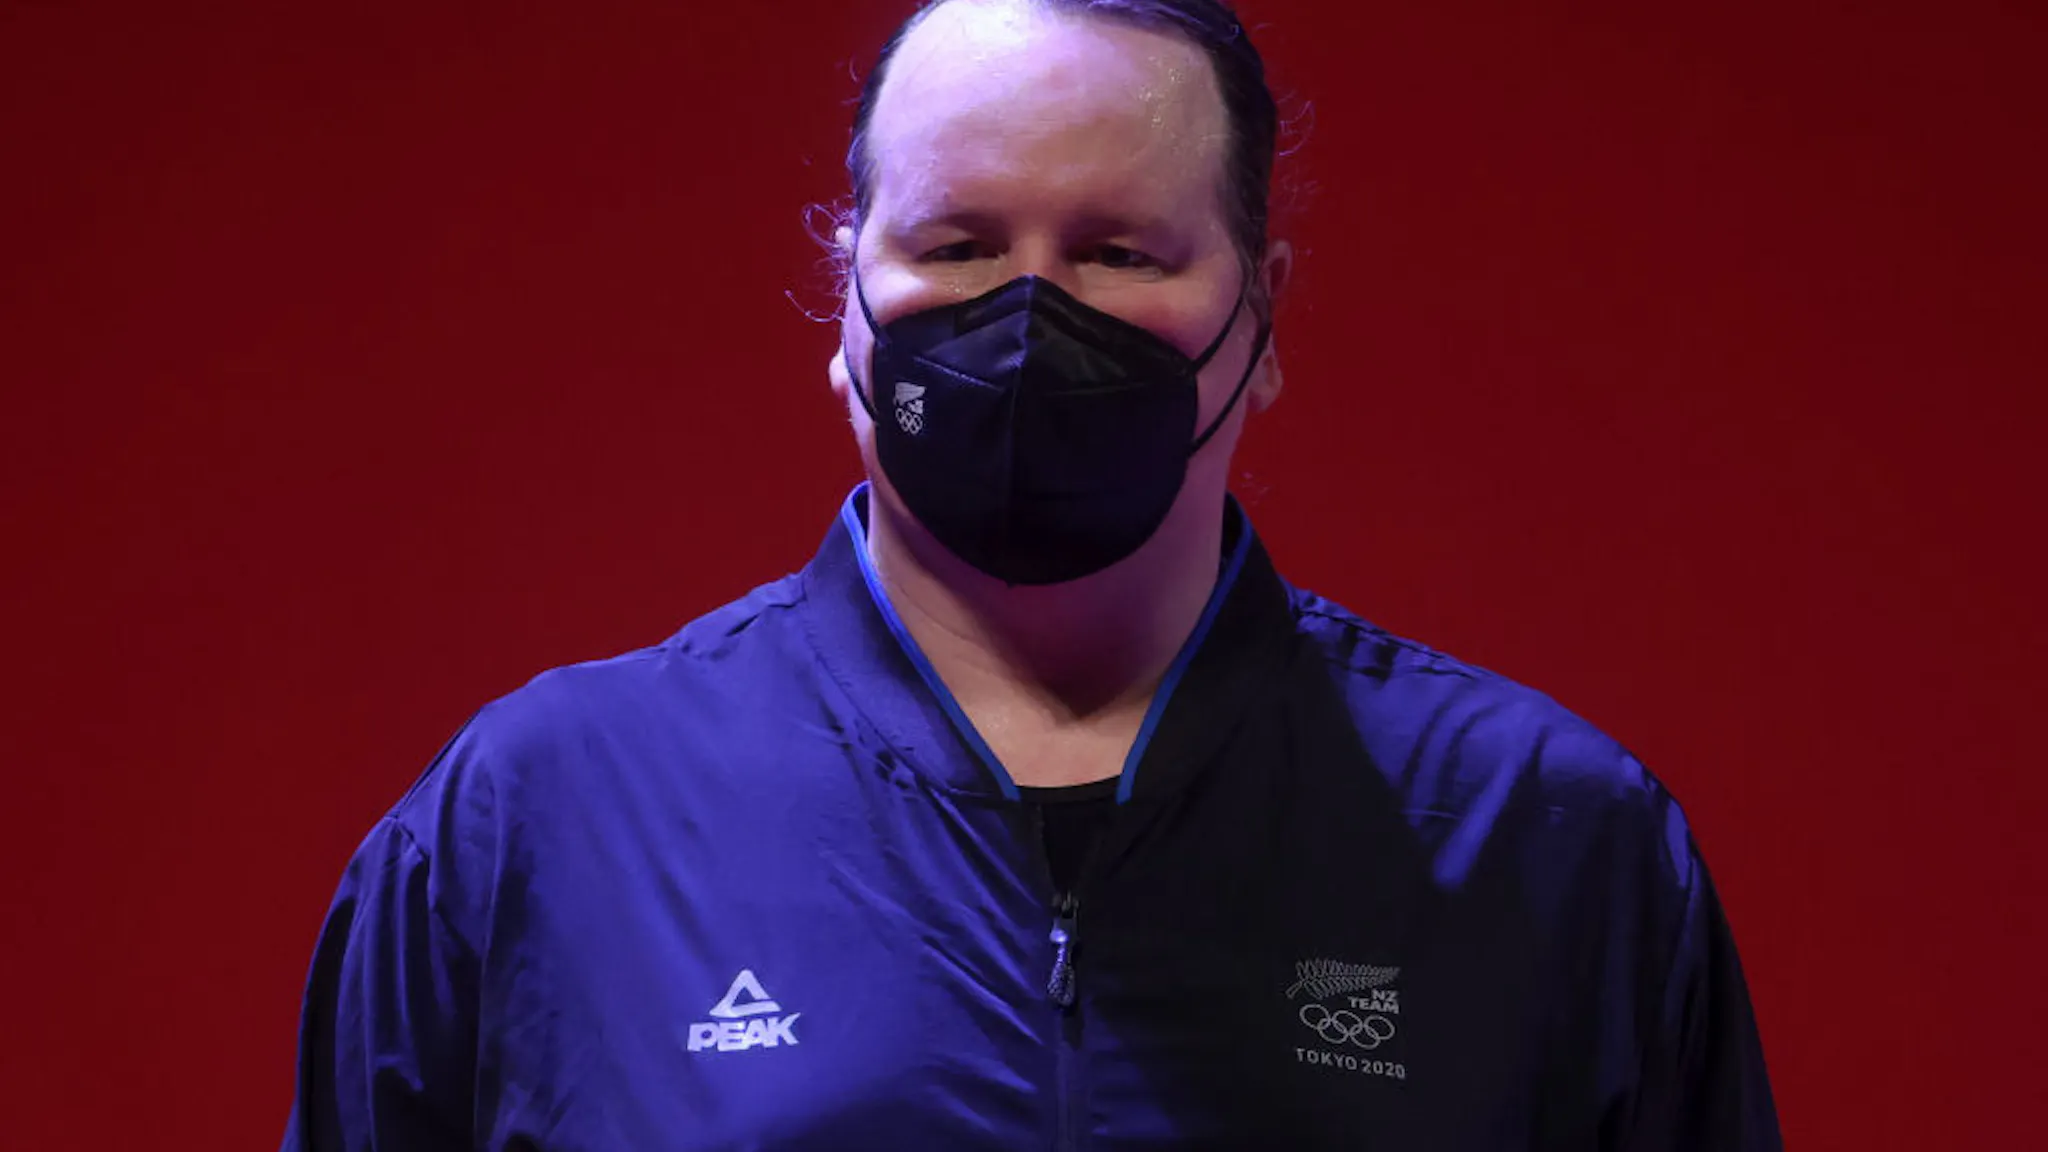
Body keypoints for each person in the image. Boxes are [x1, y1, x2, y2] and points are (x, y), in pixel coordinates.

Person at [281, 0, 1781, 1148]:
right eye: (959, 241)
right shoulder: (540, 820)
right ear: (846, 297)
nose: (1028, 315)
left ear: (1260, 318)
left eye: (1121, 250)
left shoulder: (1547, 836)